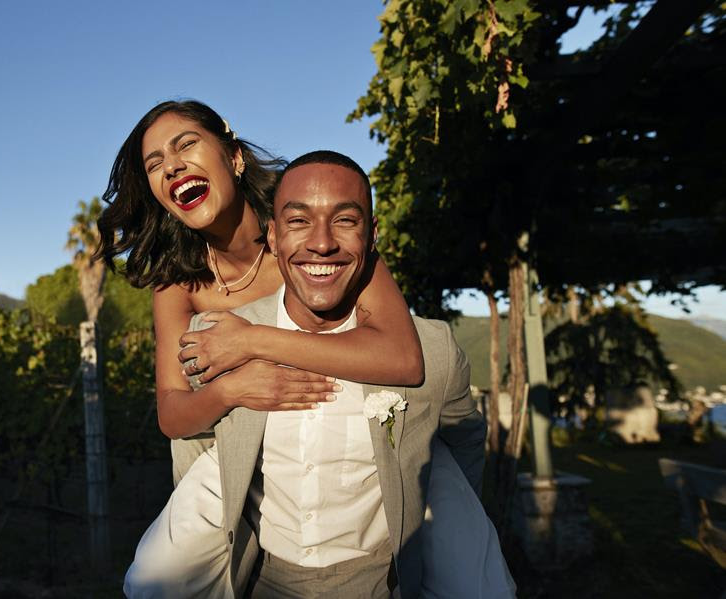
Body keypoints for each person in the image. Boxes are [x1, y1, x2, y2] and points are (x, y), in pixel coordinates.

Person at [96, 102, 513, 597]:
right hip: (243, 444)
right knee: (157, 576)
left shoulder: (310, 223)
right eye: (155, 163)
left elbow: (402, 357)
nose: (172, 166)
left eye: (186, 144)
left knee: (462, 555)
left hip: (364, 418)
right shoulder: (176, 283)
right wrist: (232, 388)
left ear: (233, 157)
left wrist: (251, 340)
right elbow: (173, 414)